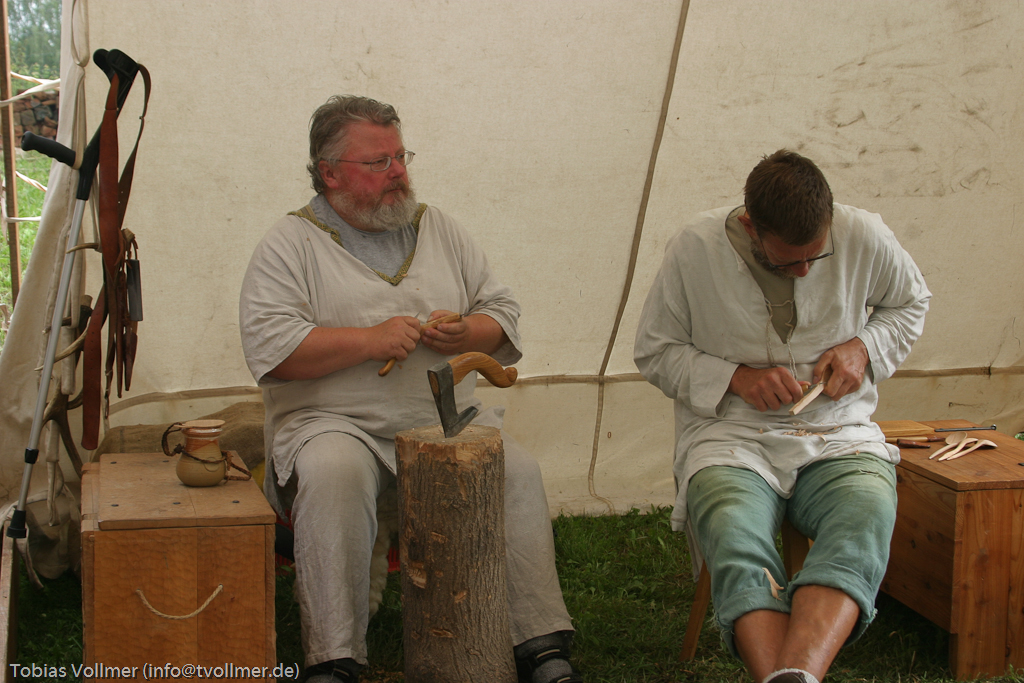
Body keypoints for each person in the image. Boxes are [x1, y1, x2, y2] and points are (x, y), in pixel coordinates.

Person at [239, 95, 581, 683]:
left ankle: (541, 644)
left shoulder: (439, 228)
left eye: (401, 156)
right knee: (333, 473)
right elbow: (272, 350)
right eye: (378, 162)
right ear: (329, 172)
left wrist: (466, 331)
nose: (398, 171)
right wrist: (369, 340)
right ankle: (335, 658)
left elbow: (502, 313)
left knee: (516, 471)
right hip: (333, 423)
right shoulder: (289, 244)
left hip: (442, 420)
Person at [634, 150, 930, 683]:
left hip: (838, 430)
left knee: (865, 515)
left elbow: (910, 304)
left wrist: (862, 347)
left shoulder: (864, 234)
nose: (803, 272)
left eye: (815, 257)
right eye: (786, 262)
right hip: (731, 434)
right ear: (751, 226)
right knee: (733, 529)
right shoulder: (695, 247)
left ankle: (791, 676)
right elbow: (655, 350)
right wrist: (735, 377)